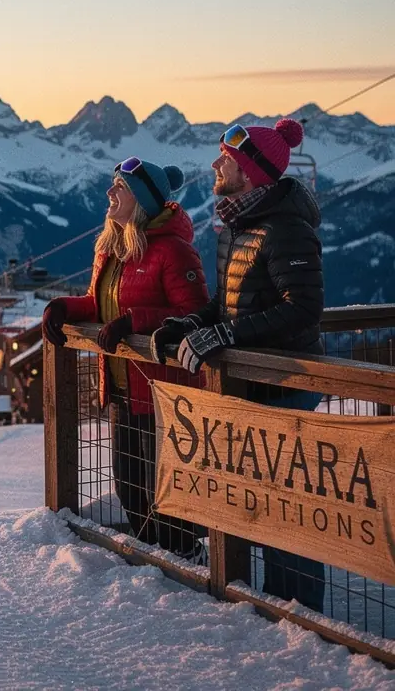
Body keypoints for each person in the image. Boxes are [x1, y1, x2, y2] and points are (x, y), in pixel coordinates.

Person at [152, 118, 327, 610]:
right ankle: (273, 605)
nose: (213, 165)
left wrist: (226, 334)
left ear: (249, 172)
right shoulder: (240, 223)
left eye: (224, 159)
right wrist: (191, 323)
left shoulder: (285, 227)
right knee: (263, 505)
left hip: (288, 384)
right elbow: (229, 305)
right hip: (253, 385)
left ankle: (302, 613)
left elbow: (302, 308)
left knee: (289, 511)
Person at [43, 157, 209, 557]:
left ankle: (186, 557)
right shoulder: (113, 250)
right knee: (130, 490)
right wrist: (64, 307)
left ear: (142, 200)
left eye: (120, 186)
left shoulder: (173, 251)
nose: (109, 192)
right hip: (122, 389)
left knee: (165, 495)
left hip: (164, 394)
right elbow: (100, 304)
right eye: (113, 184)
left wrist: (136, 320)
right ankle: (161, 563)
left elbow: (197, 312)